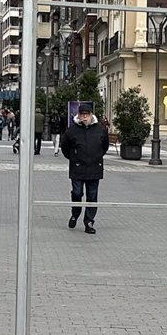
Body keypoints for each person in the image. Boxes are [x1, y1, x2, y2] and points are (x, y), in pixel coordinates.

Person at [61, 101, 109, 235]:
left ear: (91, 115)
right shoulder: (72, 131)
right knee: (77, 193)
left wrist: (97, 157)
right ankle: (75, 214)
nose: (85, 117)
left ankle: (89, 221)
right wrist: (74, 157)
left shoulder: (100, 129)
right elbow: (65, 147)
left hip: (94, 167)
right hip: (77, 167)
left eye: (87, 114)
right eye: (82, 114)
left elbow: (104, 147)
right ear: (79, 115)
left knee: (92, 196)